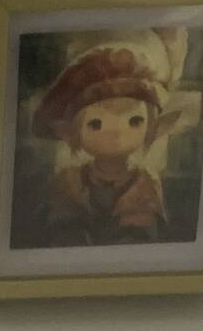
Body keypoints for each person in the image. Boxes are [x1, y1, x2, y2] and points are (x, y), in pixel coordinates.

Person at [32, 37, 183, 247]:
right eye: (96, 124)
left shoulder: (144, 183)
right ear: (70, 133)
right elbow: (60, 234)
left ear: (153, 127)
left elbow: (141, 239)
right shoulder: (68, 182)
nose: (116, 134)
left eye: (135, 121)